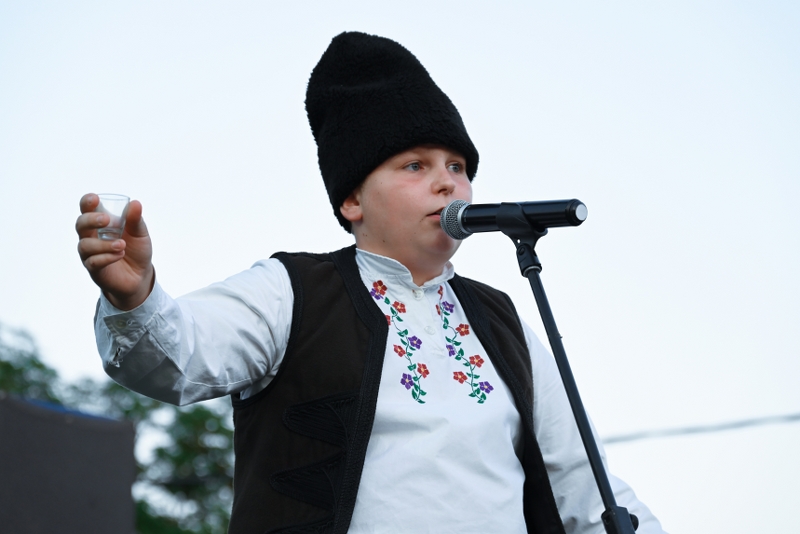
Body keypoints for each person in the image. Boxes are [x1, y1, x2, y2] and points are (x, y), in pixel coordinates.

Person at [76, 32, 666, 534]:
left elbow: (586, 489)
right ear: (352, 199)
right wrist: (135, 297)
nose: (448, 184)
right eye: (415, 165)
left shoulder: (502, 321)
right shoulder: (291, 291)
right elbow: (176, 359)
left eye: (457, 167)